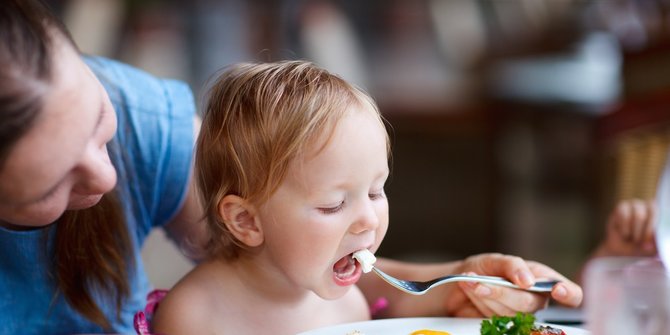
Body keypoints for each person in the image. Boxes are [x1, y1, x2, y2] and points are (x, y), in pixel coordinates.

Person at [0, 1, 581, 334]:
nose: (107, 182)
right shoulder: (198, 316)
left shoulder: (144, 121)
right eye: (53, 183)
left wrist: (456, 283)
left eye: (101, 122)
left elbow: (312, 274)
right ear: (244, 220)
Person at [151, 61, 582, 334]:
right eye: (333, 205)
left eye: (376, 191)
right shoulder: (196, 316)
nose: (367, 221)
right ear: (246, 221)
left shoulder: (350, 305)